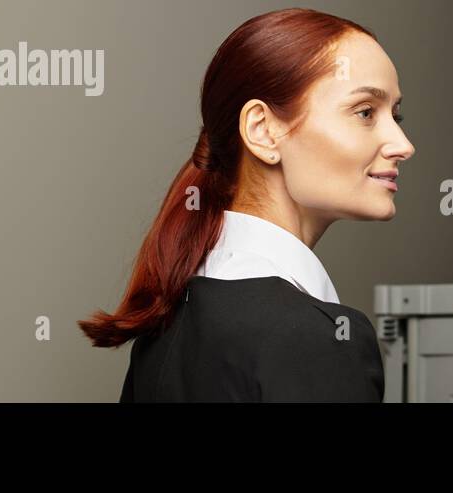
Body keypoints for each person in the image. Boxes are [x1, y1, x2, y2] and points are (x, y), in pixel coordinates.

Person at [77, 8, 415, 402]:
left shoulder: (170, 322)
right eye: (365, 112)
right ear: (263, 131)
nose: (403, 145)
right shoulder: (311, 337)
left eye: (396, 115)